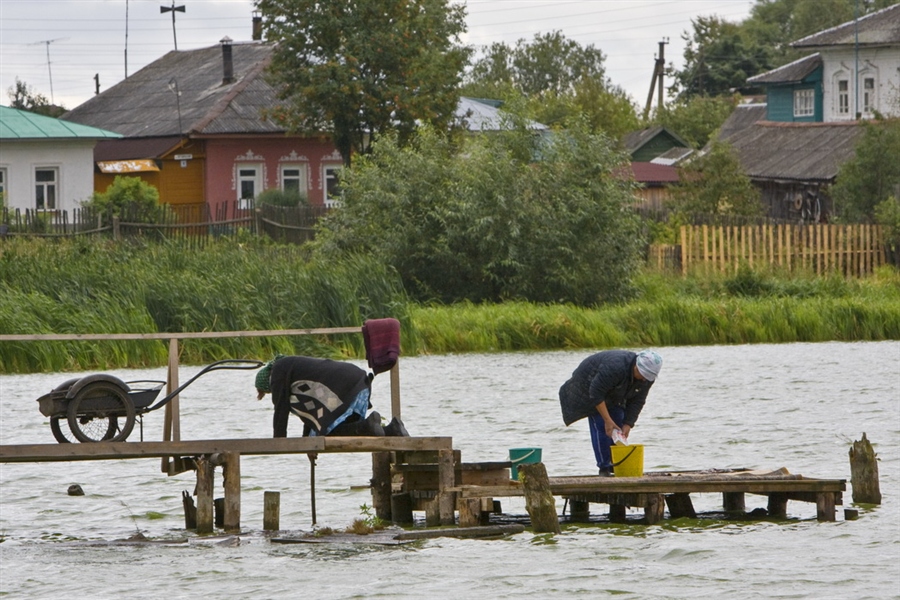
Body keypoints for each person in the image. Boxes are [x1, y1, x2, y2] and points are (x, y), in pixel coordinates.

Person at [558, 350, 662, 476]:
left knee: (618, 419)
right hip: (586, 387)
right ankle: (604, 467)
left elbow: (638, 401)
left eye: (648, 377)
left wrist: (628, 424)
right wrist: (607, 420)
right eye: (643, 374)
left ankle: (615, 464)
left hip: (613, 391)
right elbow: (595, 392)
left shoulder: (646, 379)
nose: (645, 379)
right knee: (602, 424)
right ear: (636, 366)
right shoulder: (615, 367)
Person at [255, 355, 408, 439]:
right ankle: (392, 429)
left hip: (345, 386)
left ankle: (368, 425)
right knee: (343, 429)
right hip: (359, 383)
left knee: (329, 432)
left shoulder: (278, 370)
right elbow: (312, 411)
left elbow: (280, 408)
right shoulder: (294, 370)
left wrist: (278, 440)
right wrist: (308, 441)